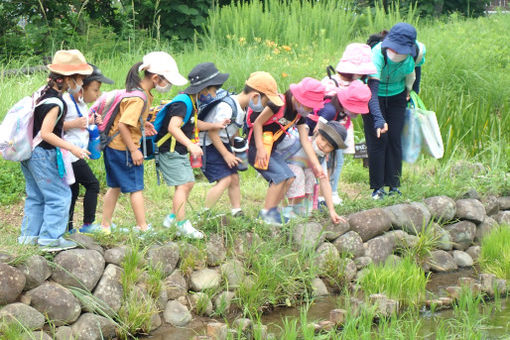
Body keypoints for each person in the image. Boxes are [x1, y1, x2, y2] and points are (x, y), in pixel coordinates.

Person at [100, 52, 188, 232]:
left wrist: (142, 123)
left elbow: (125, 118)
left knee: (115, 186)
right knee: (136, 188)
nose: (168, 85)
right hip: (124, 148)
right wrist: (134, 150)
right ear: (155, 78)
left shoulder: (137, 93)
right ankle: (142, 227)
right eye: (167, 81)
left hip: (113, 146)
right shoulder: (139, 98)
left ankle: (105, 225)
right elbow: (124, 125)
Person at [19, 49, 92, 250]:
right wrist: (73, 148)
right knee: (60, 196)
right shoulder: (56, 103)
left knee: (36, 196)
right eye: (80, 79)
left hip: (28, 153)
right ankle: (50, 240)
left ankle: (28, 239)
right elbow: (46, 133)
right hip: (43, 154)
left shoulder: (41, 93)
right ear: (69, 79)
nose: (81, 84)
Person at [158, 62, 229, 238]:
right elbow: (173, 127)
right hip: (171, 150)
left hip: (180, 150)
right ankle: (182, 224)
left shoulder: (191, 102)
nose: (214, 95)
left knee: (188, 183)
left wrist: (215, 125)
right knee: (183, 185)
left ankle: (173, 217)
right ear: (204, 88)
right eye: (213, 91)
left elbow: (193, 123)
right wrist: (190, 145)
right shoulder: (183, 102)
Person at [199, 71, 281, 217]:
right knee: (226, 179)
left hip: (222, 143)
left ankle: (237, 211)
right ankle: (205, 212)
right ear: (255, 96)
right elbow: (212, 132)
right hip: (208, 144)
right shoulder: (227, 107)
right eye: (265, 101)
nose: (264, 106)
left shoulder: (241, 108)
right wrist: (226, 155)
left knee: (234, 177)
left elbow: (232, 130)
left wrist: (235, 148)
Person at [248, 77, 326, 225]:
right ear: (298, 98)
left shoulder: (298, 114)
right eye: (308, 106)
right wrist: (259, 149)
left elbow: (305, 141)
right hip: (256, 147)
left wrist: (316, 165)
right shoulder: (277, 105)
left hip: (271, 149)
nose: (309, 110)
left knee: (289, 177)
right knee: (279, 177)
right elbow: (257, 124)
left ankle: (273, 211)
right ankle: (265, 215)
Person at [364, 22, 426, 200]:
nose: (397, 53)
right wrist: (378, 118)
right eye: (394, 49)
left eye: (401, 50)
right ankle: (377, 189)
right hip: (373, 95)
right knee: (378, 139)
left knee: (394, 139)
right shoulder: (377, 54)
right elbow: (372, 92)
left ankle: (394, 186)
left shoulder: (418, 51)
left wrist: (411, 92)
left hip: (398, 96)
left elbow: (417, 71)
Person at [320, 43, 377, 205]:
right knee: (327, 160)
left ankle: (333, 191)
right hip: (328, 129)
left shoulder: (357, 85)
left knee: (338, 160)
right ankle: (324, 194)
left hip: (343, 128)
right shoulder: (330, 82)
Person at [63, 64, 114, 233]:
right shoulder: (66, 102)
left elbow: (80, 124)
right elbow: (51, 127)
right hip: (70, 155)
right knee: (92, 185)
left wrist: (91, 121)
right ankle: (88, 225)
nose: (98, 94)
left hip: (77, 155)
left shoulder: (81, 104)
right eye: (95, 89)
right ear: (81, 87)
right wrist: (73, 124)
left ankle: (68, 227)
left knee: (74, 189)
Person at [306, 80, 372, 204]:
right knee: (317, 170)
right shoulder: (330, 110)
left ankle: (324, 196)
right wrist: (322, 151)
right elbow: (317, 130)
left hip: (324, 142)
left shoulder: (339, 110)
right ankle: (317, 198)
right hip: (313, 141)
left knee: (336, 162)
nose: (357, 113)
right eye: (355, 109)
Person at [281, 121, 348, 224]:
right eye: (322, 139)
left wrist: (332, 210)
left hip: (298, 175)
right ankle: (286, 209)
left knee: (311, 175)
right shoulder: (303, 141)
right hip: (284, 170)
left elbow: (324, 181)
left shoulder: (320, 157)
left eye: (329, 146)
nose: (323, 145)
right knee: (298, 173)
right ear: (317, 133)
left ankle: (302, 208)